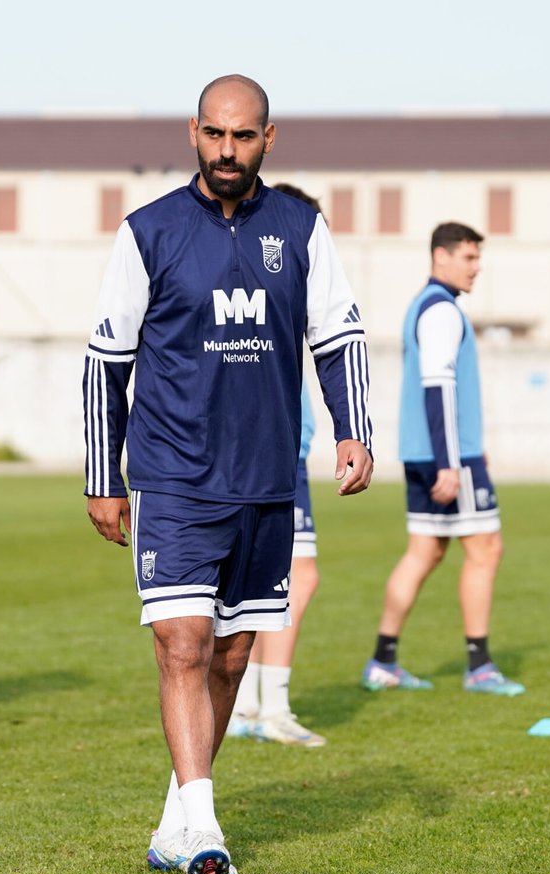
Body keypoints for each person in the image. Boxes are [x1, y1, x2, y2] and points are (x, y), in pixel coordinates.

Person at [83, 76, 373, 874]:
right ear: (193, 133)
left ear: (268, 140)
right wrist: (104, 475)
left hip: (266, 481)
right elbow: (106, 361)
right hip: (173, 477)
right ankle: (205, 828)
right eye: (213, 135)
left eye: (242, 137)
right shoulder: (148, 232)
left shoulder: (302, 228)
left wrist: (354, 428)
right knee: (183, 644)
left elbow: (339, 334)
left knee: (234, 650)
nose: (225, 151)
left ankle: (176, 821)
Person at [363, 222, 523, 696]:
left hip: (424, 452)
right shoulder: (442, 311)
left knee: (425, 552)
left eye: (478, 258)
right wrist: (452, 461)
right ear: (441, 257)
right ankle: (480, 667)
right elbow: (439, 388)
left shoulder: (424, 305)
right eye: (469, 258)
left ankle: (383, 661)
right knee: (486, 551)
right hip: (448, 458)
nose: (477, 268)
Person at [227, 183, 327, 749]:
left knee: (276, 582)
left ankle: (255, 706)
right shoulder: (270, 281)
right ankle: (265, 707)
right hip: (272, 455)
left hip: (286, 451)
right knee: (286, 580)